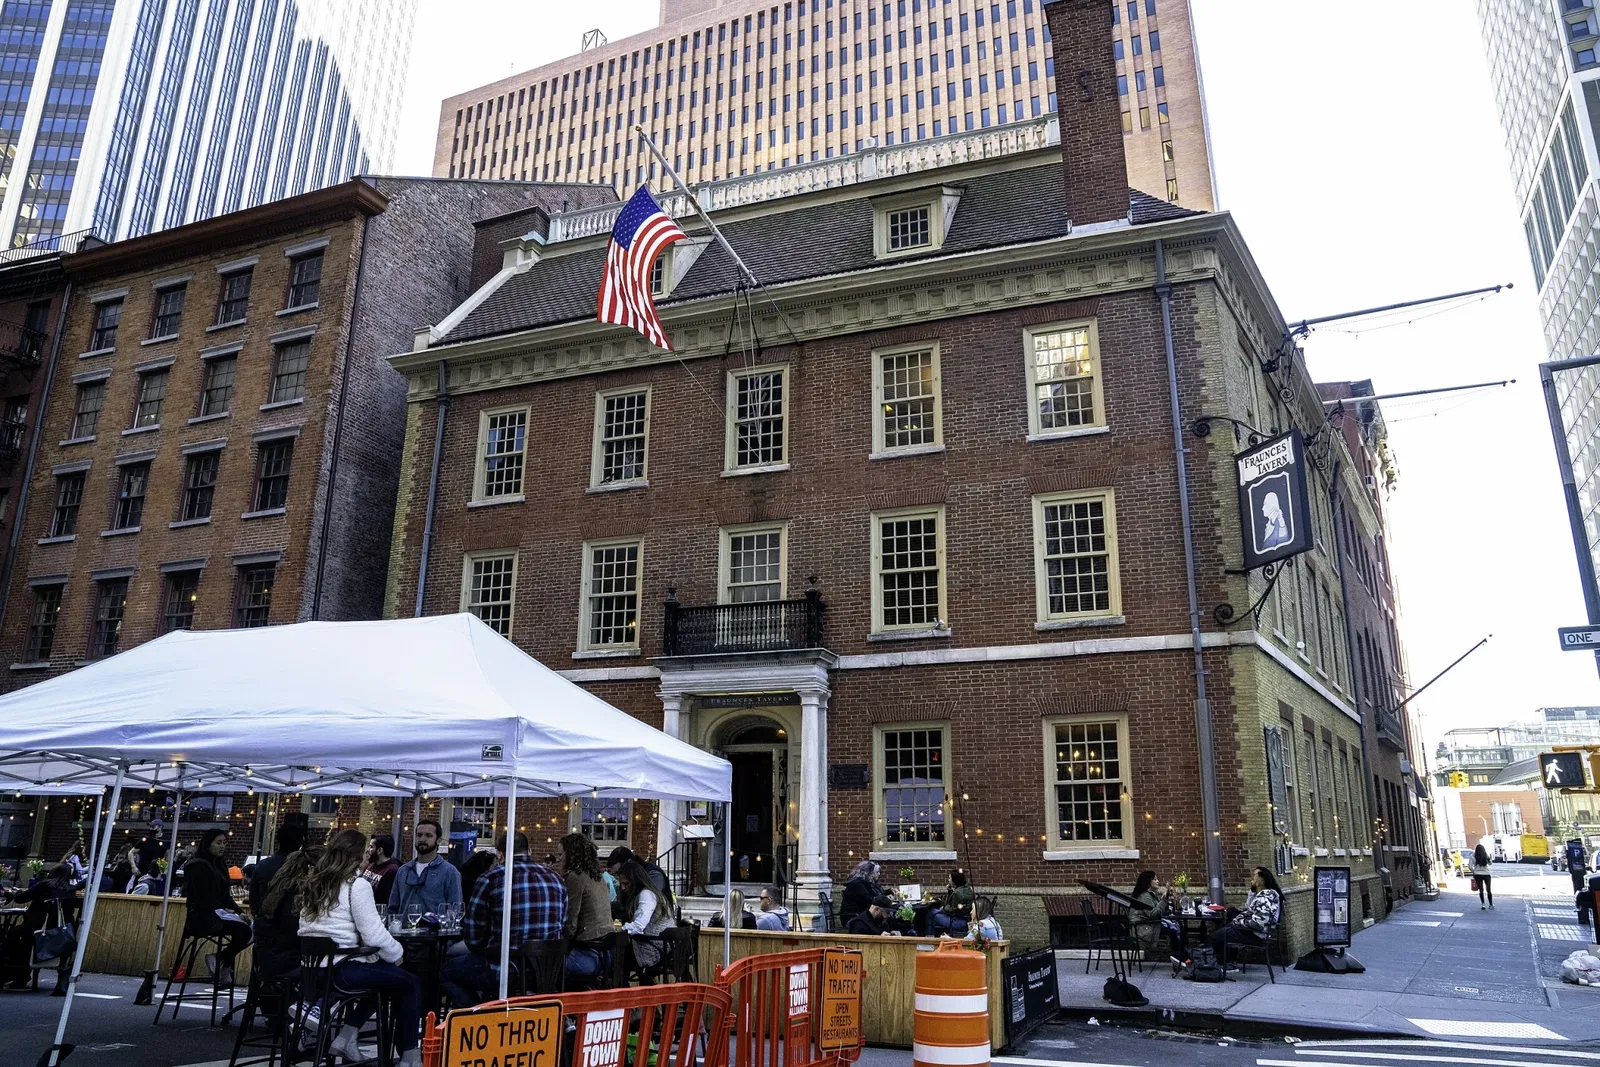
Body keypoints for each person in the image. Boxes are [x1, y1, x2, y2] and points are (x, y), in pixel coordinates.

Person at [297, 829, 422, 1067]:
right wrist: (398, 954)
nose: (369, 857)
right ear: (355, 855)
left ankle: (346, 1038)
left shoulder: (314, 882)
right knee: (410, 982)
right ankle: (410, 1056)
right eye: (366, 852)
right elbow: (373, 934)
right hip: (343, 969)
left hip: (312, 970)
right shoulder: (357, 885)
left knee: (388, 980)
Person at [442, 832, 566, 1007]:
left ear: (499, 854)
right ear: (529, 851)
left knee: (447, 971)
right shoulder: (556, 879)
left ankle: (476, 1018)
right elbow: (562, 924)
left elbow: (473, 937)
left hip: (505, 970)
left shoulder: (491, 878)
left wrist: (487, 947)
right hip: (547, 971)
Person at [182, 829, 252, 988]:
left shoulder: (219, 865)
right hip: (202, 917)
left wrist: (239, 912)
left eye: (224, 843)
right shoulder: (197, 865)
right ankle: (222, 962)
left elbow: (225, 897)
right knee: (244, 931)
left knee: (250, 929)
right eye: (218, 843)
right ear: (208, 844)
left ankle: (221, 962)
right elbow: (202, 897)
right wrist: (224, 909)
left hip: (216, 914)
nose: (222, 846)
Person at [1, 862, 76, 992]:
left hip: (37, 929)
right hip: (59, 933)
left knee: (10, 935)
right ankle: (21, 974)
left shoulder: (45, 885)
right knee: (19, 936)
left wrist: (16, 892)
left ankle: (16, 973)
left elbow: (21, 899)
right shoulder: (70, 889)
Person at [248, 821, 308, 981]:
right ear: (300, 844)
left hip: (264, 944)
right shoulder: (303, 872)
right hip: (290, 948)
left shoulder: (262, 866)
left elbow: (253, 903)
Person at [557, 833, 613, 986]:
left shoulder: (575, 877)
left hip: (588, 956)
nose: (559, 859)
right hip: (607, 955)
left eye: (561, 854)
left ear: (571, 854)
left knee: (544, 963)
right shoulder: (598, 876)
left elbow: (570, 921)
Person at [389, 819, 463, 921]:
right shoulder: (403, 871)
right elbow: (393, 908)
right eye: (419, 835)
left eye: (428, 835)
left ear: (438, 840)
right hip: (403, 934)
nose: (422, 839)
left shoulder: (449, 872)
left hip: (434, 935)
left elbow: (455, 910)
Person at [1208, 866, 1281, 964]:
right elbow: (1249, 910)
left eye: (1254, 877)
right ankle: (1223, 962)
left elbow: (1257, 923)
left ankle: (1209, 963)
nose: (1251, 880)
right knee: (1225, 928)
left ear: (1258, 883)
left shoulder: (1264, 899)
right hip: (1257, 933)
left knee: (1214, 937)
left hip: (1256, 936)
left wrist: (1238, 922)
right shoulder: (1267, 896)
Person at [615, 857, 675, 969]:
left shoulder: (647, 894)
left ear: (635, 881)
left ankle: (620, 985)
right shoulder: (650, 893)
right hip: (660, 945)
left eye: (625, 883)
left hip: (654, 949)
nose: (623, 888)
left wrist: (619, 931)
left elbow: (639, 925)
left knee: (615, 956)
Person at [606, 847, 671, 906]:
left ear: (627, 862)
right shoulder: (626, 877)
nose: (623, 888)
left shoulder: (654, 874)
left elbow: (648, 901)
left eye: (612, 864)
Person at [1126, 871, 1169, 955]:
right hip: (1144, 931)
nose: (1158, 881)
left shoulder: (1151, 895)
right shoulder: (1145, 896)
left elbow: (1157, 909)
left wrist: (1163, 897)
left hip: (1148, 927)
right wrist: (1164, 900)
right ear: (1148, 881)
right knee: (1174, 930)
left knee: (1174, 926)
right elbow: (1153, 914)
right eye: (1155, 879)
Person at [930, 871, 975, 937]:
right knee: (936, 911)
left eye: (950, 878)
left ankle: (929, 937)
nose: (948, 880)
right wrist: (950, 891)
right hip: (966, 919)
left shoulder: (957, 893)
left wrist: (944, 908)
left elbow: (952, 909)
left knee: (932, 912)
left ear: (954, 880)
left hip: (956, 921)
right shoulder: (968, 889)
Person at [839, 861, 881, 929]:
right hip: (852, 917)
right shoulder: (857, 884)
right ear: (869, 873)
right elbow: (869, 901)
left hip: (861, 914)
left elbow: (874, 897)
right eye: (876, 872)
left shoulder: (865, 883)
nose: (878, 874)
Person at [361, 835, 399, 907]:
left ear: (379, 850)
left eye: (371, 847)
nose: (368, 850)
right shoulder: (370, 865)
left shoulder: (392, 871)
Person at [1472, 843, 1494, 909]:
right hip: (1486, 874)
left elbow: (1470, 866)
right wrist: (1489, 859)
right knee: (1488, 889)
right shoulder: (1485, 856)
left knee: (1481, 890)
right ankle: (1491, 904)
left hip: (1477, 874)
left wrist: (1474, 871)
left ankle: (1483, 904)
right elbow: (1490, 864)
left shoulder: (1472, 856)